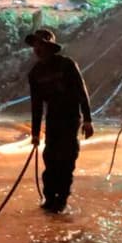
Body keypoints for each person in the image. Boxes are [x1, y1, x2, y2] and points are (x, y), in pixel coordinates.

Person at [26, 29, 93, 212]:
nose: (37, 48)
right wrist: (35, 133)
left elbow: (81, 91)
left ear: (49, 47)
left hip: (71, 118)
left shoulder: (67, 65)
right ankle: (49, 199)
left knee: (66, 159)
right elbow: (36, 105)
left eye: (40, 44)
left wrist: (88, 120)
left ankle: (61, 200)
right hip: (53, 119)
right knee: (50, 159)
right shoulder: (35, 73)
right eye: (35, 45)